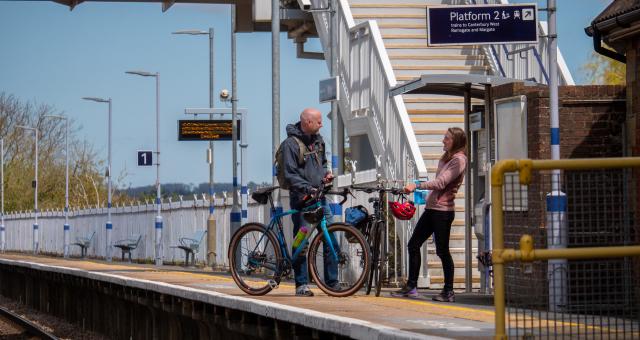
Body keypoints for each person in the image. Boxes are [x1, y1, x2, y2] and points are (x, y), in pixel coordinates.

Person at [392, 127, 468, 302]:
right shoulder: (448, 158)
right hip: (432, 209)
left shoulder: (459, 160)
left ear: (455, 141)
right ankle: (411, 287)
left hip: (443, 212)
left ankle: (448, 291)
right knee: (413, 244)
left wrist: (417, 185)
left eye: (447, 138)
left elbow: (441, 183)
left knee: (442, 251)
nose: (443, 140)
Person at [282, 108, 335, 297]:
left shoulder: (318, 140)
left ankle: (332, 283)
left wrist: (326, 174)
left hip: (320, 199)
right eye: (318, 121)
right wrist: (307, 189)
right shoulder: (291, 144)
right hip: (302, 201)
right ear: (307, 123)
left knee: (331, 239)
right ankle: (301, 284)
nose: (322, 124)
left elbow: (323, 162)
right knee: (301, 242)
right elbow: (290, 174)